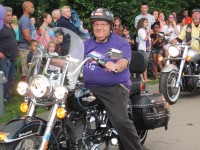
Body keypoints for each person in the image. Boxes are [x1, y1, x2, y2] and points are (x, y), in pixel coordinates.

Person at [83, 8, 143, 150]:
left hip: (114, 86)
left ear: (110, 26)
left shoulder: (120, 43)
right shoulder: (86, 44)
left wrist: (116, 66)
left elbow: (123, 61)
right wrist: (49, 59)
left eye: (103, 24)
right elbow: (70, 60)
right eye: (96, 24)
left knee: (120, 121)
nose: (99, 27)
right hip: (87, 87)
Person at [0, 6, 18, 103]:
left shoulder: (10, 26)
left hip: (12, 57)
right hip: (4, 58)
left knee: (10, 80)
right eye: (7, 15)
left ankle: (6, 97)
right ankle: (1, 100)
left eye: (11, 15)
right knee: (3, 80)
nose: (10, 17)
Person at [19, 1, 35, 81]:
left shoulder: (27, 19)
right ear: (26, 8)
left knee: (30, 72)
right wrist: (36, 45)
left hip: (27, 48)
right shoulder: (24, 19)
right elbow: (27, 36)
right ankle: (24, 92)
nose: (33, 9)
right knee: (25, 73)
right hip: (25, 49)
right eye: (32, 7)